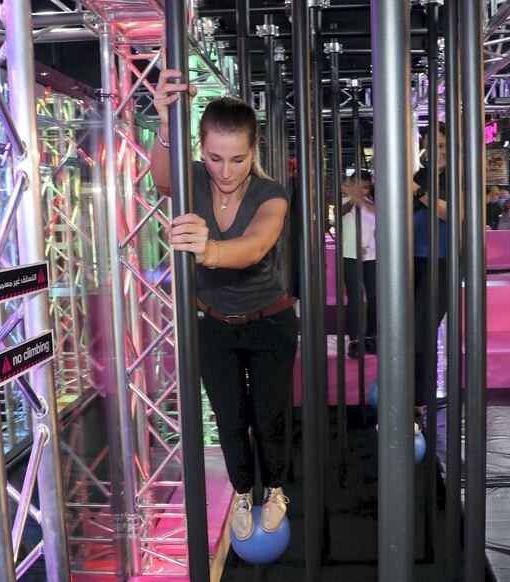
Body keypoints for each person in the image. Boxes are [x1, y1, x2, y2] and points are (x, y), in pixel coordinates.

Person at [151, 70, 297, 542]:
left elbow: (254, 246)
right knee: (229, 417)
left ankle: (274, 488)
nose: (226, 171)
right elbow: (160, 176)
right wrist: (164, 124)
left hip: (270, 322)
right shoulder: (191, 178)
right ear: (200, 149)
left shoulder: (269, 193)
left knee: (269, 415)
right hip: (213, 325)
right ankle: (241, 490)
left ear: (253, 152)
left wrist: (207, 248)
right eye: (215, 157)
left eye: (237, 158)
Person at [411, 123, 448, 424]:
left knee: (423, 330)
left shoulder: (459, 175)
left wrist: (419, 192)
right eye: (430, 144)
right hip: (410, 261)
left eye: (441, 144)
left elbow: (454, 212)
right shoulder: (419, 176)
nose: (435, 150)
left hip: (442, 262)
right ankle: (407, 393)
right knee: (406, 330)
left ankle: (420, 402)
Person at [341, 170, 377, 356]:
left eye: (366, 187)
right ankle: (354, 340)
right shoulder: (344, 204)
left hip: (372, 257)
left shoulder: (372, 206)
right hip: (349, 256)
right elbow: (340, 213)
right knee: (355, 299)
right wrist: (353, 199)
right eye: (359, 187)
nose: (362, 191)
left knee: (375, 298)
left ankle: (372, 338)